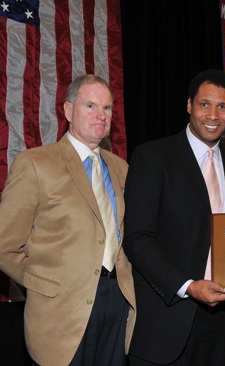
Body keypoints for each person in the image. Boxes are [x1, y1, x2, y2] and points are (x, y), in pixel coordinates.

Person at [0, 74, 136, 366]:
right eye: (90, 106)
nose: (101, 115)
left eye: (108, 108)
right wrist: (45, 284)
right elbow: (5, 246)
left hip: (117, 301)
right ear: (68, 110)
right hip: (61, 310)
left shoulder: (121, 168)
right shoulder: (35, 163)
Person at [123, 69, 225, 366]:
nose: (213, 114)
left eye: (222, 107)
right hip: (164, 318)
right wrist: (187, 285)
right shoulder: (153, 157)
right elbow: (138, 238)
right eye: (204, 104)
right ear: (189, 105)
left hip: (220, 322)